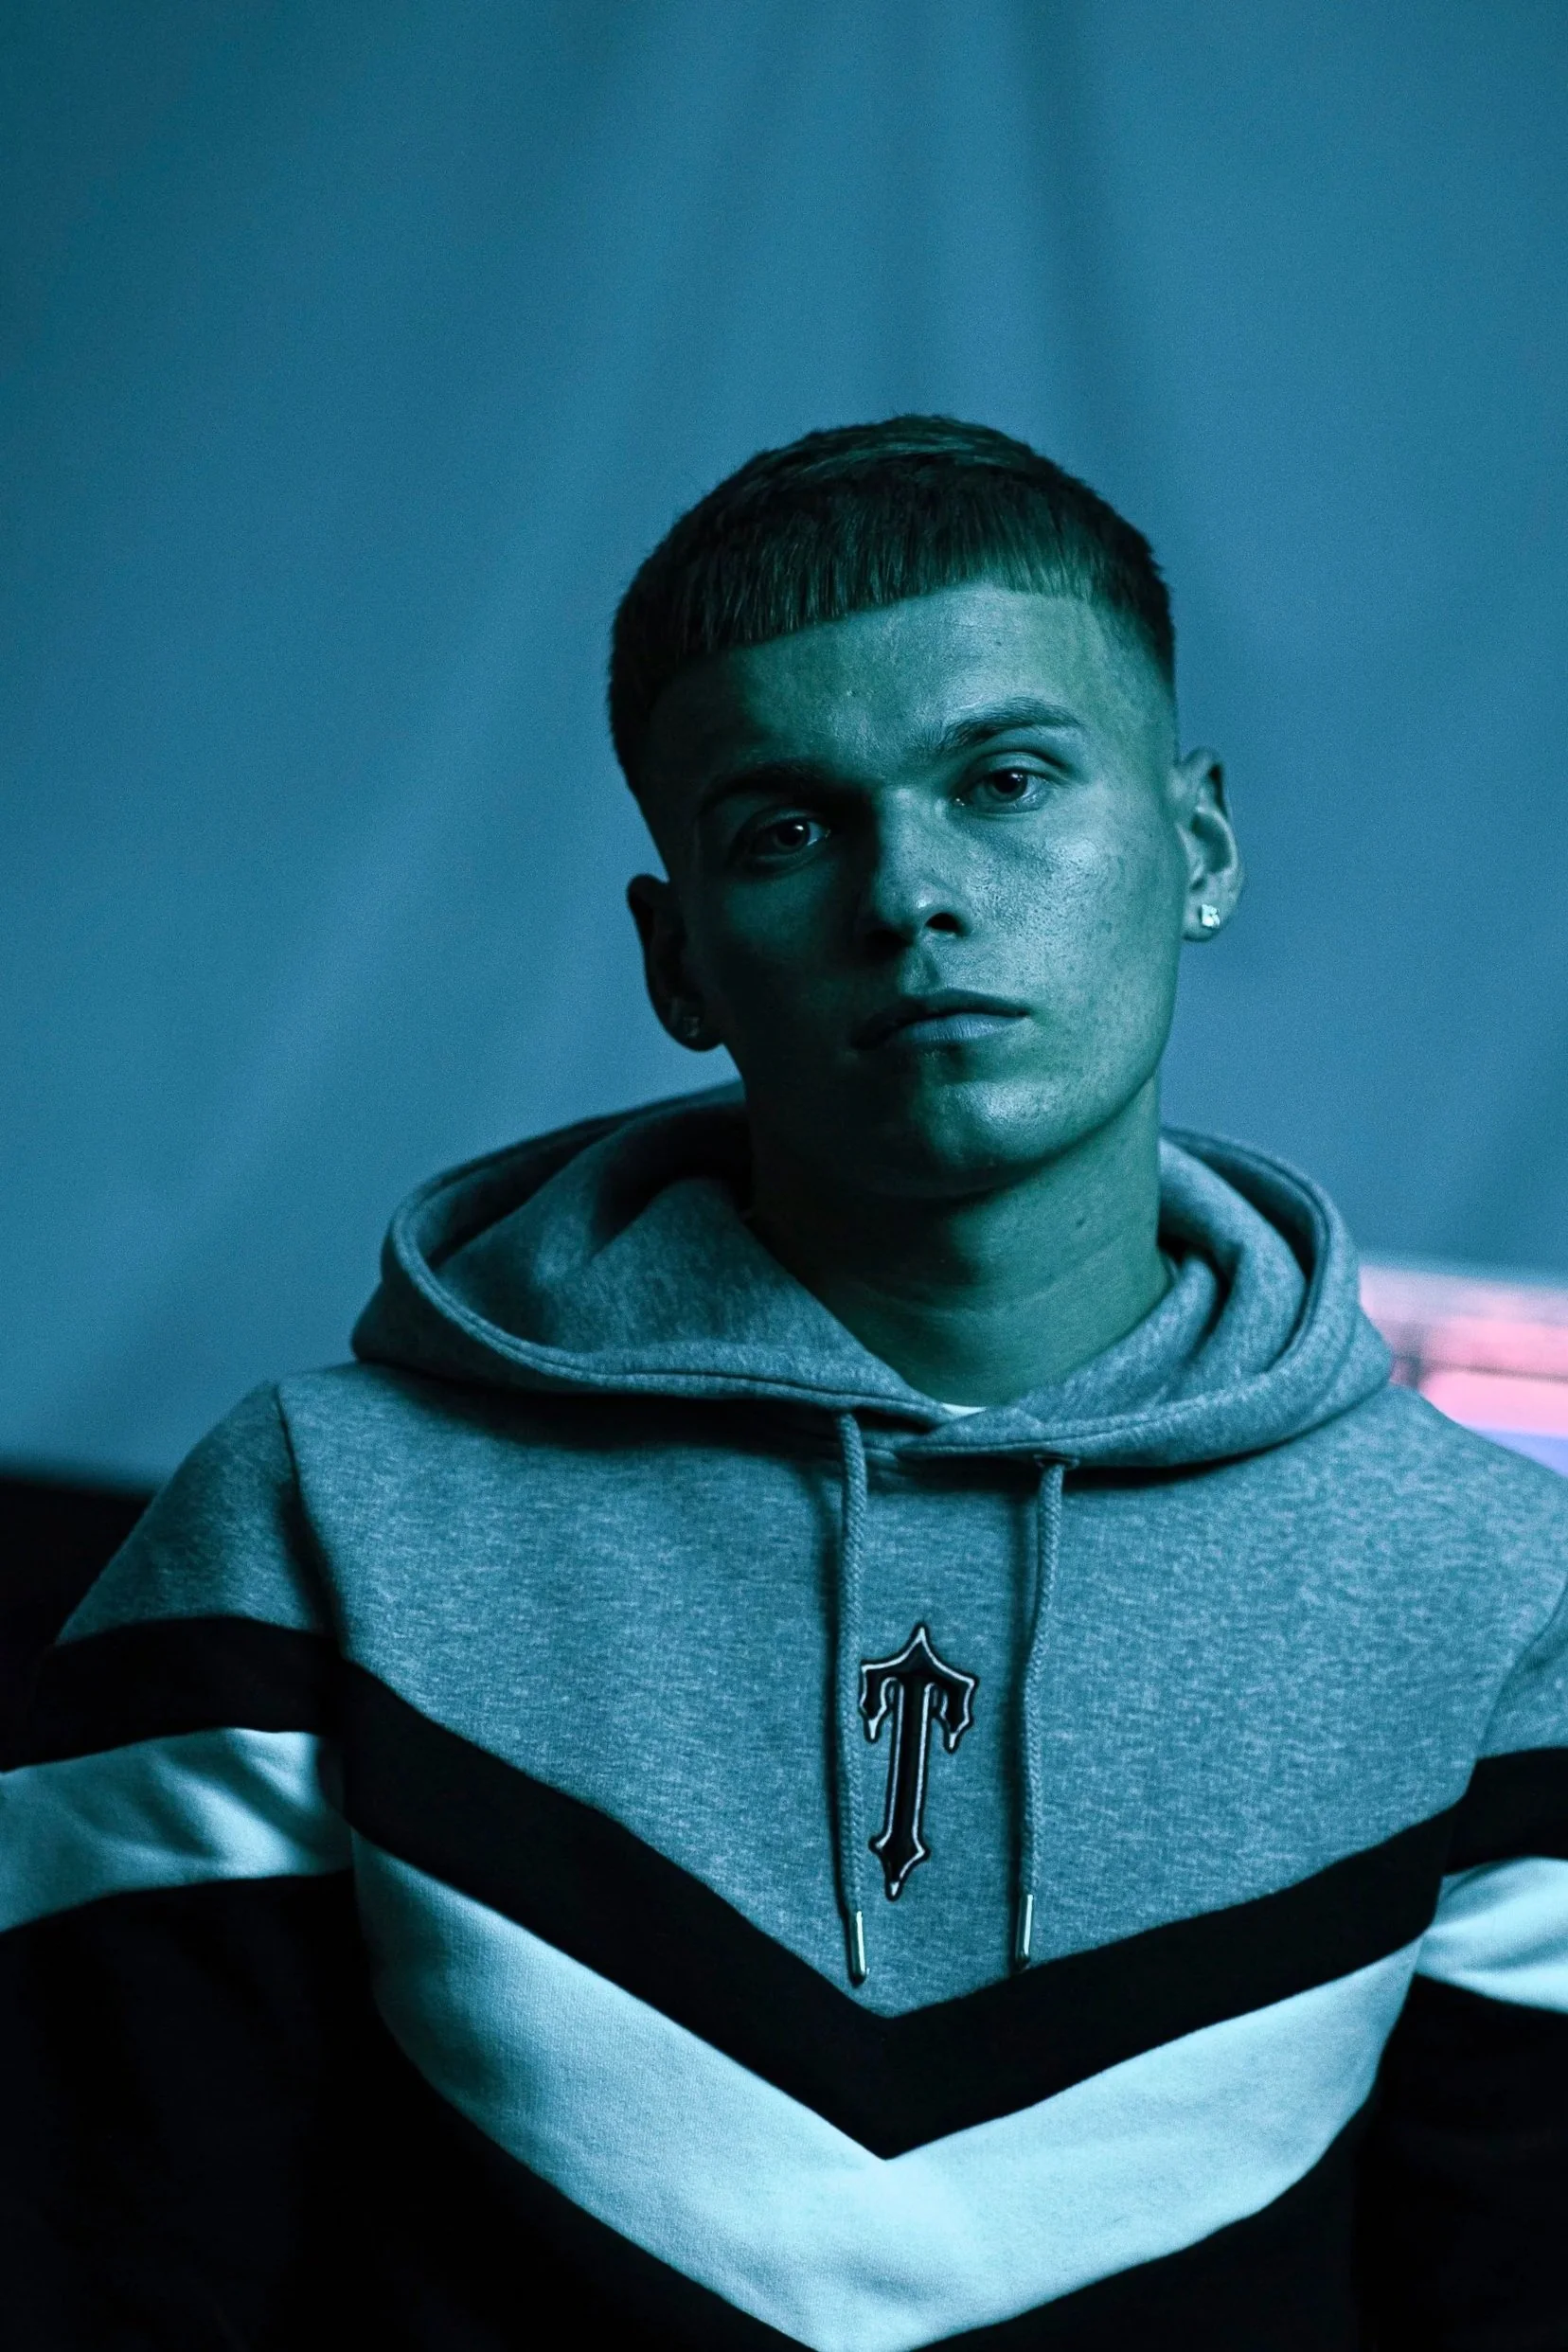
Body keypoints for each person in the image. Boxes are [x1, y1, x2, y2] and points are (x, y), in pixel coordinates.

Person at [4, 417, 1565, 2349]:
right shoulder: (315, 1521)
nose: (908, 892)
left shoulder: (1500, 1595)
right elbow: (98, 2282)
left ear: (1201, 845)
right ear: (678, 958)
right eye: (786, 829)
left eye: (1004, 779)